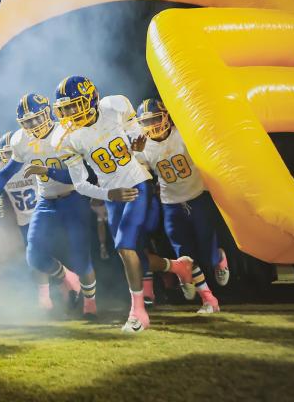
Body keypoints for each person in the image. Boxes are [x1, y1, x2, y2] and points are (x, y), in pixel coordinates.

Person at [51, 76, 192, 333]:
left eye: (75, 105)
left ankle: (138, 313)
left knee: (125, 247)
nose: (70, 113)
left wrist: (138, 146)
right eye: (66, 108)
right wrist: (110, 195)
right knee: (134, 255)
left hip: (137, 183)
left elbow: (138, 144)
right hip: (114, 194)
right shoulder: (65, 138)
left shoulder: (114, 106)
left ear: (90, 99)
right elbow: (81, 184)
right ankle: (178, 266)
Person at [0, 94, 99, 317]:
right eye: (26, 122)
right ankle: (68, 277)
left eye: (36, 119)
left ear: (48, 112)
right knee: (33, 255)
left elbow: (80, 177)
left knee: (82, 258)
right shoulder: (21, 140)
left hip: (73, 198)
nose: (32, 125)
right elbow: (6, 172)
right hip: (46, 201)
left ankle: (90, 303)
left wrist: (47, 171)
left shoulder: (66, 133)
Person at [133, 99, 228, 313]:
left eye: (157, 118)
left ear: (167, 116)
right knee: (183, 252)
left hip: (197, 196)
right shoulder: (144, 146)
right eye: (147, 121)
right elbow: (140, 174)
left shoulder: (183, 134)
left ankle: (219, 257)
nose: (153, 125)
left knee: (207, 251)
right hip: (170, 204)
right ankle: (202, 294)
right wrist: (134, 156)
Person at [0, 130, 52, 310]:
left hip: (42, 215)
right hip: (22, 220)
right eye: (5, 153)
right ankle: (59, 288)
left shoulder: (30, 163)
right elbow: (0, 198)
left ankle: (46, 298)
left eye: (11, 152)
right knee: (35, 260)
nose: (9, 156)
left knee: (38, 257)